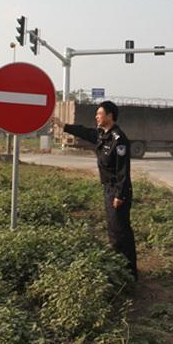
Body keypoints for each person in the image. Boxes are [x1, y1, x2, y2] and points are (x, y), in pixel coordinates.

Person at [55, 101, 138, 280]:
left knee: (121, 232)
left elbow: (123, 170)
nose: (96, 116)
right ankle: (119, 267)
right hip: (108, 189)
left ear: (109, 116)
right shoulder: (102, 134)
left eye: (99, 113)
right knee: (113, 229)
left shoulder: (118, 138)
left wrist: (120, 195)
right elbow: (85, 132)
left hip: (117, 191)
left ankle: (129, 272)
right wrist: (63, 125)